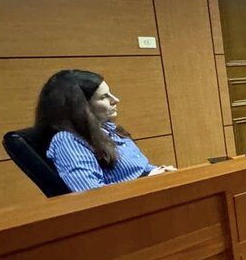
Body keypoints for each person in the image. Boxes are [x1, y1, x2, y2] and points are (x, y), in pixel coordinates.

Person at [35, 70, 176, 192]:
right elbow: (92, 195)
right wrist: (147, 182)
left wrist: (163, 173)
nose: (116, 100)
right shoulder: (67, 140)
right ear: (80, 107)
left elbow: (141, 168)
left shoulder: (108, 128)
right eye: (103, 97)